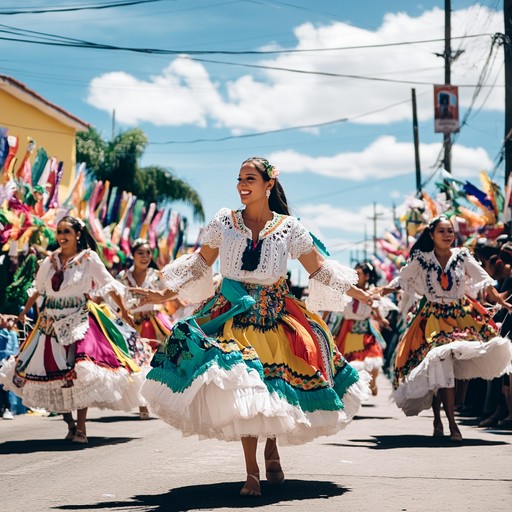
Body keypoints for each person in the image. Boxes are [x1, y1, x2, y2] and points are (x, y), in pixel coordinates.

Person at [132, 157, 374, 497]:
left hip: (274, 316)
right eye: (239, 178)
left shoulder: (289, 228)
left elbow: (318, 269)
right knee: (243, 388)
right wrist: (162, 294)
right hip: (230, 315)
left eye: (250, 178)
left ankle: (271, 448)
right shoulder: (224, 222)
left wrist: (359, 291)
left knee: (270, 389)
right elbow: (201, 262)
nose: (242, 184)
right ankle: (252, 472)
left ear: (268, 184)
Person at [0, 216, 142, 444]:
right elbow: (38, 289)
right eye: (59, 231)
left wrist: (123, 310)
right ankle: (69, 423)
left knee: (80, 373)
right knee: (51, 374)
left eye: (66, 231)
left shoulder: (88, 259)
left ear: (77, 234)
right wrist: (24, 312)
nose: (62, 236)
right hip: (49, 322)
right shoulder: (50, 260)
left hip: (79, 320)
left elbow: (107, 284)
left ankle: (82, 427)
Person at [380, 215, 512, 442]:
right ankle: (449, 423)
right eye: (442, 231)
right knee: (440, 361)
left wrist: (502, 303)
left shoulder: (462, 255)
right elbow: (401, 280)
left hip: (462, 316)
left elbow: (485, 280)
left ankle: (447, 414)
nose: (447, 235)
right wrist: (381, 291)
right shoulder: (422, 259)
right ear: (431, 235)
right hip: (432, 319)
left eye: (450, 231)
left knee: (452, 365)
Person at [115, 238, 175, 419]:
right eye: (140, 253)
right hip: (131, 324)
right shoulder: (123, 277)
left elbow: (169, 295)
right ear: (132, 255)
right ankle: (142, 403)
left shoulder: (157, 276)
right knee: (135, 363)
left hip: (153, 323)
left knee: (154, 363)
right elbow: (115, 298)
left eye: (148, 253)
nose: (145, 256)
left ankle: (152, 400)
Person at [335, 262, 389, 396]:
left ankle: (373, 381)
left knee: (374, 357)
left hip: (366, 330)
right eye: (354, 273)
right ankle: (354, 391)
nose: (355, 276)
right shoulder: (348, 291)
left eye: (358, 274)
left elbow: (375, 306)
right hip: (348, 330)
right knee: (350, 362)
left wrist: (381, 319)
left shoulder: (371, 293)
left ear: (367, 276)